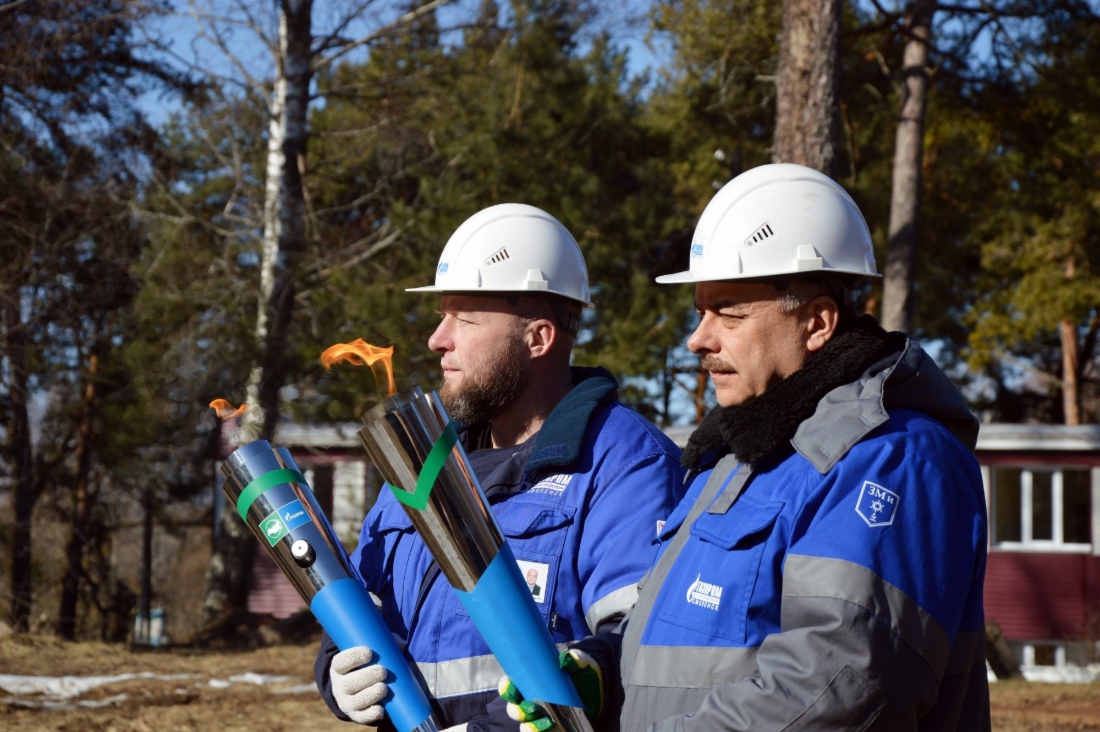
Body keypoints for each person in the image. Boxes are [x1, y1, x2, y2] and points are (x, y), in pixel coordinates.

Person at [501, 164, 990, 730]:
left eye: (729, 314)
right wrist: (598, 674)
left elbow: (836, 687)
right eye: (701, 312)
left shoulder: (895, 458)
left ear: (817, 323)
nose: (698, 339)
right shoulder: (735, 460)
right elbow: (676, 641)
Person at [314, 203, 686, 731]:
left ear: (537, 338)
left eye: (464, 319)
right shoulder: (423, 458)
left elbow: (636, 648)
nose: (437, 339)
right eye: (442, 316)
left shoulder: (624, 463)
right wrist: (337, 669)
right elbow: (364, 598)